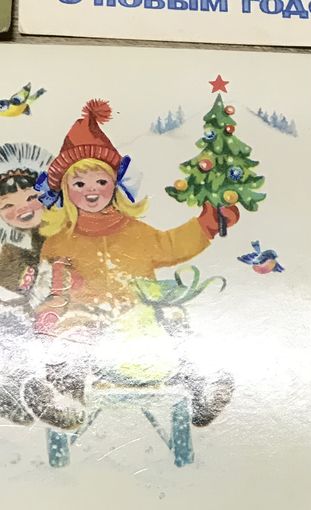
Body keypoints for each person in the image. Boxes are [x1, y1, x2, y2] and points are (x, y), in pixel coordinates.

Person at [24, 99, 238, 430]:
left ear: (115, 185)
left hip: (139, 320)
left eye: (100, 182)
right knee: (73, 340)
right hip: (87, 320)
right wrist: (52, 305)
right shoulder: (59, 241)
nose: (91, 191)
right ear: (66, 190)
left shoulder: (135, 232)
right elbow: (54, 285)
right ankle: (65, 400)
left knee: (175, 324)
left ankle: (201, 390)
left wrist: (208, 223)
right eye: (79, 184)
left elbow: (171, 244)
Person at [0, 141, 51, 422]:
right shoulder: (12, 250)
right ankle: (13, 394)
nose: (22, 208)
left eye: (31, 197)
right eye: (8, 205)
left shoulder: (63, 235)